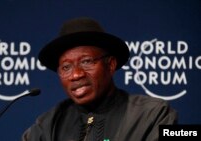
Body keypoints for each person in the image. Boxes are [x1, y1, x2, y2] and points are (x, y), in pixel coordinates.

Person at [22, 17, 178, 141]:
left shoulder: (153, 114)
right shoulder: (47, 125)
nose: (76, 74)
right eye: (66, 67)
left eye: (86, 61)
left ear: (110, 65)